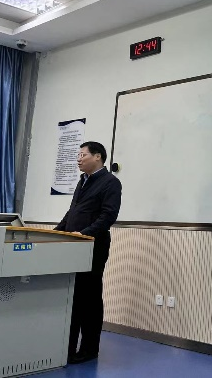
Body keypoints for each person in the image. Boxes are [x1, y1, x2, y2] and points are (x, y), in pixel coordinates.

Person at [54, 141, 122, 364]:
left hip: (94, 245)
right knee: (74, 297)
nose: (78, 159)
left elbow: (108, 216)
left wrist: (84, 234)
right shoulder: (83, 181)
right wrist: (56, 232)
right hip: (75, 245)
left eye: (83, 155)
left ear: (98, 157)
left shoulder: (110, 182)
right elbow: (73, 211)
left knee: (89, 298)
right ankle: (68, 347)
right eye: (78, 155)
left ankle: (89, 349)